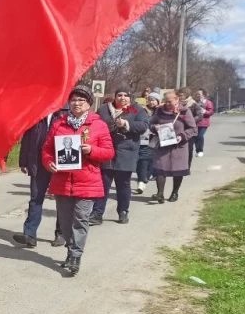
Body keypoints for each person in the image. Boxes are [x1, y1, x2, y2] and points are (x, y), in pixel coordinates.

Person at [41, 85, 114, 276]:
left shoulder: (99, 125)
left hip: (87, 181)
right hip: (62, 181)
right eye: (73, 99)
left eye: (81, 100)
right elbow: (47, 150)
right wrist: (49, 163)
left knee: (81, 219)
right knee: (65, 222)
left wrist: (92, 151)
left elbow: (109, 152)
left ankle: (75, 256)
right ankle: (70, 250)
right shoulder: (58, 124)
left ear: (89, 103)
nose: (77, 103)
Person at [91, 89, 149, 225]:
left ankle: (123, 211)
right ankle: (97, 213)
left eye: (126, 95)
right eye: (119, 95)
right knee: (103, 184)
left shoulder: (135, 109)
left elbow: (143, 125)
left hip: (126, 152)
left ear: (130, 97)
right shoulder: (105, 109)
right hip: (106, 151)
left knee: (123, 184)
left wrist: (126, 124)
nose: (123, 98)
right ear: (115, 97)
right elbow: (95, 123)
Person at [13, 109, 65, 248]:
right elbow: (27, 138)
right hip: (38, 163)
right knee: (35, 198)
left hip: (59, 164)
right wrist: (23, 161)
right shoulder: (36, 113)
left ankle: (61, 233)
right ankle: (30, 234)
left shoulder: (65, 114)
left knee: (61, 201)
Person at [149, 90, 198, 203]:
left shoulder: (185, 112)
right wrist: (155, 128)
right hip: (163, 144)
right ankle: (160, 194)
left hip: (179, 146)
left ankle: (174, 192)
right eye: (165, 101)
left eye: (169, 101)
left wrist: (182, 136)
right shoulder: (159, 111)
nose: (167, 104)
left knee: (178, 170)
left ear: (177, 100)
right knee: (160, 169)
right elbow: (151, 123)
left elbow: (193, 129)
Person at [135, 91, 161, 194]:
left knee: (151, 161)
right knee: (141, 160)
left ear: (158, 101)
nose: (151, 102)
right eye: (150, 99)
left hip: (156, 139)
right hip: (144, 138)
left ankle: (144, 178)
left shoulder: (162, 111)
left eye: (154, 100)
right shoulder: (142, 110)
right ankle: (142, 179)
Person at [193, 88, 215, 157]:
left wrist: (205, 111)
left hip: (204, 123)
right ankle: (197, 151)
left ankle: (200, 150)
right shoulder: (194, 102)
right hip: (196, 122)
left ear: (203, 95)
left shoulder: (208, 102)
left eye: (199, 94)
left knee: (200, 136)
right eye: (197, 94)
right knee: (196, 136)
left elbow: (211, 112)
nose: (198, 95)